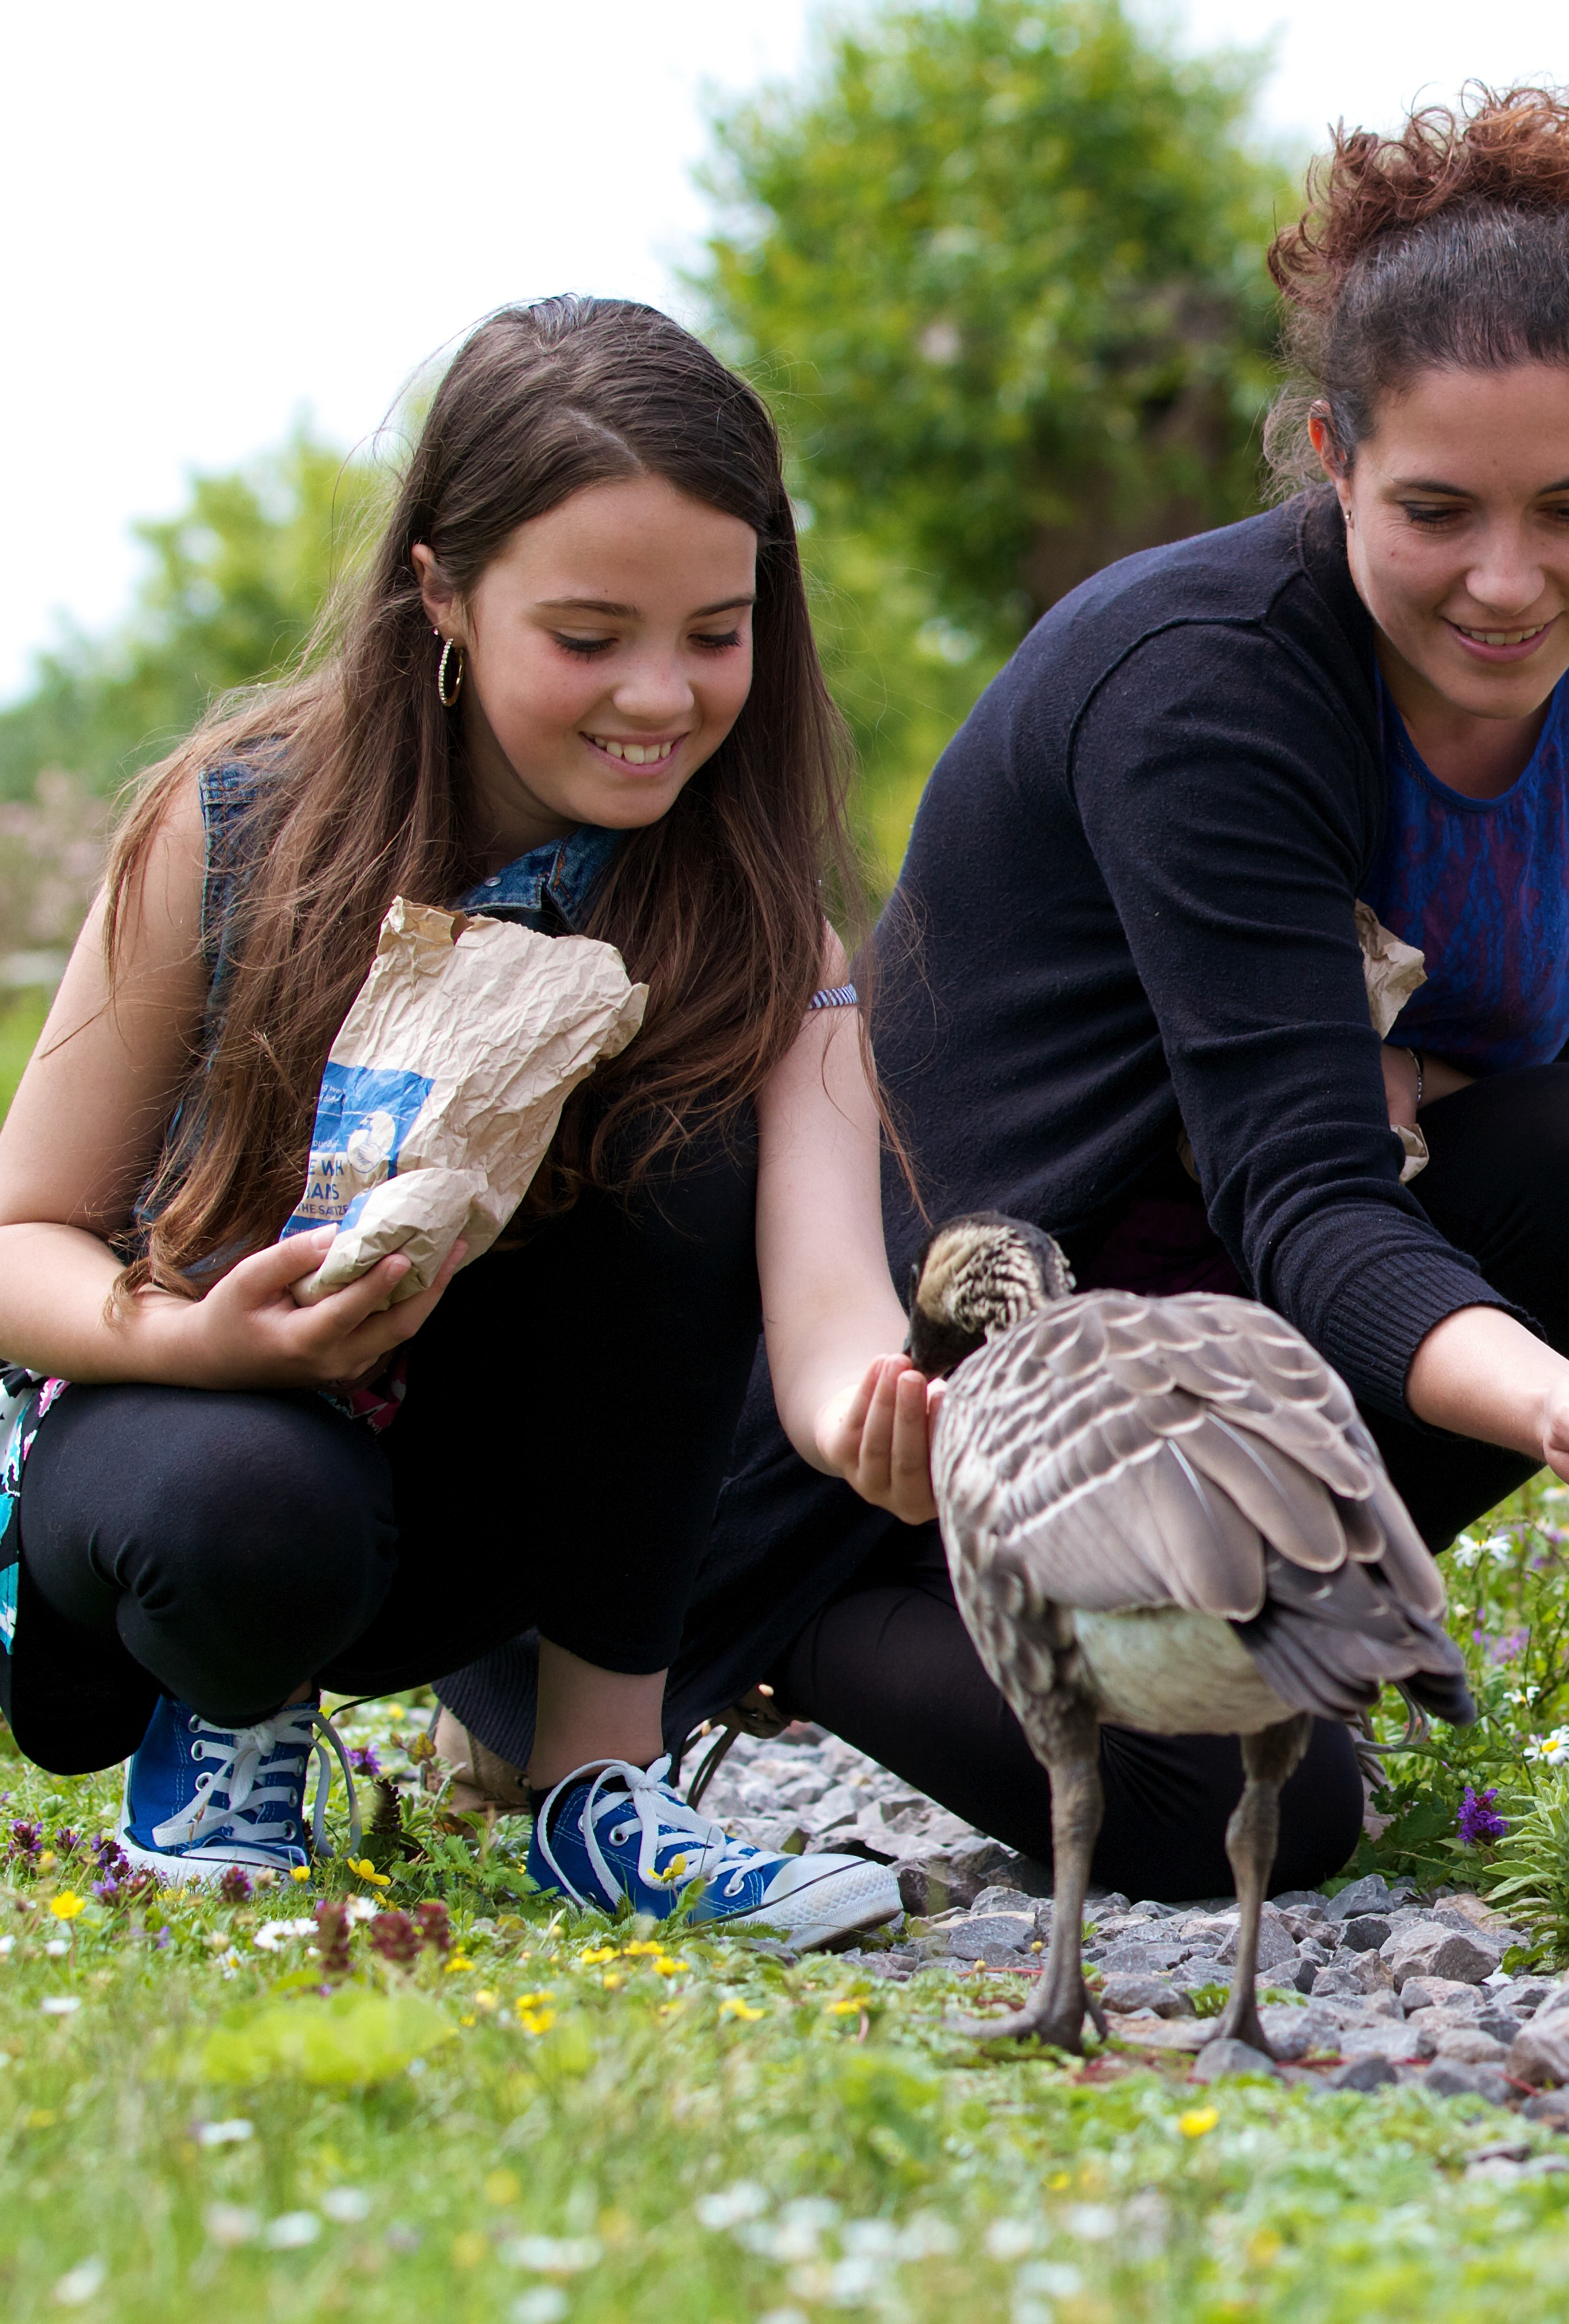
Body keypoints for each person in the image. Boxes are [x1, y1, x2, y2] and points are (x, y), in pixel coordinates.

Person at [470, 86, 1569, 1905]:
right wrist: (1558, 1406)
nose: (1509, 578)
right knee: (1258, 1827)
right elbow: (1301, 1196)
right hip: (941, 1385)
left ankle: (1251, 1612)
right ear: (1326, 453)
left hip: (1202, 1356)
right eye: (1436, 508)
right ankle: (758, 1622)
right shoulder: (1204, 685)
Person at [0, 298, 932, 1948]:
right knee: (248, 1512)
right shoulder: (231, 830)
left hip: (482, 1513)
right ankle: (224, 1732)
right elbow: (19, 1241)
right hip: (184, 1454)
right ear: (440, 590)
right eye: (589, 636)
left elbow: (825, 1299)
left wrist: (889, 1416)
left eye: (717, 633)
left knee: (683, 1140)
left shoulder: (761, 932)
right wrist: (208, 1345)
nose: (662, 694)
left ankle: (596, 1785)